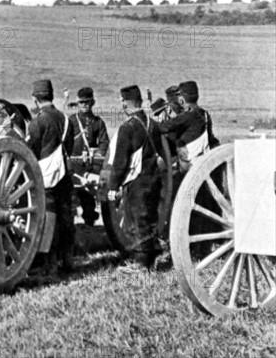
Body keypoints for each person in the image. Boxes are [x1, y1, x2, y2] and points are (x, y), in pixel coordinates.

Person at [107, 85, 163, 270]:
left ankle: (141, 264)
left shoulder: (127, 128)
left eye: (122, 101)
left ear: (125, 103)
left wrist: (113, 187)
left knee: (135, 221)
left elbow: (120, 162)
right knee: (150, 218)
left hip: (136, 181)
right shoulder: (153, 125)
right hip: (154, 179)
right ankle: (151, 261)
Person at [27, 79, 76, 275]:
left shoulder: (37, 122)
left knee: (49, 218)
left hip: (46, 176)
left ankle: (50, 264)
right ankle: (68, 260)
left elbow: (31, 151)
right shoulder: (66, 120)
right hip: (65, 174)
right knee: (66, 217)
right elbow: (70, 147)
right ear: (51, 96)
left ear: (35, 99)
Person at [69, 87, 109, 227]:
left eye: (87, 102)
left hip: (90, 167)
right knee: (71, 198)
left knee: (88, 201)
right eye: (81, 102)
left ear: (93, 102)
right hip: (74, 167)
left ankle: (89, 223)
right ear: (77, 103)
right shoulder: (71, 121)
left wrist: (97, 155)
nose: (84, 105)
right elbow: (65, 142)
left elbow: (104, 143)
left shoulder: (98, 123)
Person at [159, 81, 219, 174]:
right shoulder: (205, 114)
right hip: (202, 160)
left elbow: (162, 128)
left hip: (189, 165)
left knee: (159, 165)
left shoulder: (186, 116)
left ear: (181, 100)